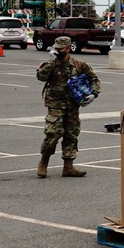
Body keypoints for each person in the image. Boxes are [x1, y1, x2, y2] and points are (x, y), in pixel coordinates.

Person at [35, 36, 101, 178]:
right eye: (56, 48)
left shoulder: (78, 64)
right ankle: (43, 162)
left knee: (71, 134)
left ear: (68, 48)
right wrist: (50, 62)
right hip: (55, 104)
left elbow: (93, 78)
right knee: (53, 133)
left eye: (61, 48)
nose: (58, 50)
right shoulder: (51, 63)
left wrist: (94, 93)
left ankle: (68, 166)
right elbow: (40, 77)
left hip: (72, 105)